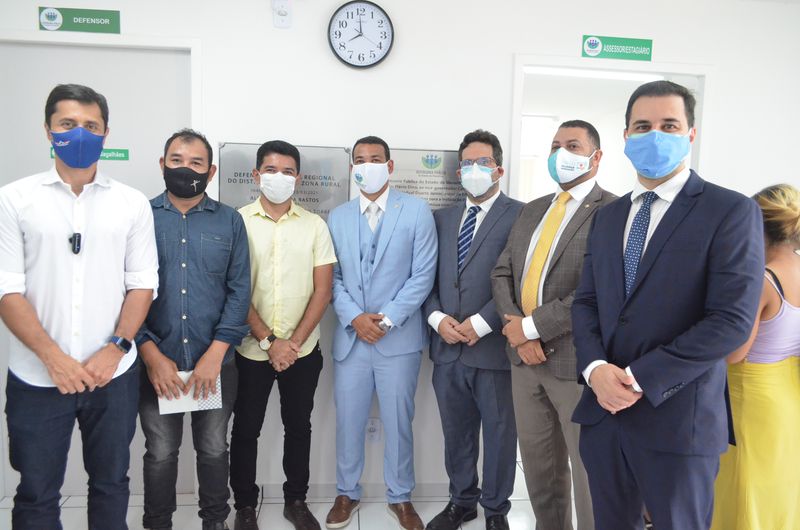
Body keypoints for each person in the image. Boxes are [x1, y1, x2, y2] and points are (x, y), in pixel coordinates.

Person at [570, 80, 765, 530]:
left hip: (679, 421)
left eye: (669, 125)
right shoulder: (608, 217)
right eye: (642, 126)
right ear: (626, 137)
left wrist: (639, 378)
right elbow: (587, 302)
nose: (654, 135)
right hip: (603, 416)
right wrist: (595, 369)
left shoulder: (729, 211)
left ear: (690, 134)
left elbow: (731, 321)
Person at [0, 84, 158, 529]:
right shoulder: (14, 199)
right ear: (48, 130)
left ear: (106, 133)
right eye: (68, 124)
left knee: (111, 483)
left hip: (112, 375)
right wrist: (54, 359)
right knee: (36, 492)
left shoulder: (130, 203)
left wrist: (116, 347)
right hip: (37, 375)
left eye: (91, 125)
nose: (80, 134)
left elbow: (143, 284)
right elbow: (7, 291)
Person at [492, 120, 615, 530]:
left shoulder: (612, 211)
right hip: (524, 363)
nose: (561, 153)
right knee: (540, 468)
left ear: (595, 157)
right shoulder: (533, 209)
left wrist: (531, 329)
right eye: (555, 145)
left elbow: (597, 290)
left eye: (573, 146)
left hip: (575, 363)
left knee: (587, 473)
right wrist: (516, 330)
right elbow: (502, 272)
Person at [136, 129, 251, 530]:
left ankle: (215, 522)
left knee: (214, 448)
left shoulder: (230, 220)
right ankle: (158, 523)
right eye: (177, 160)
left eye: (196, 162)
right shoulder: (140, 217)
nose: (186, 169)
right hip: (157, 362)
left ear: (211, 171)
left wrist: (216, 354)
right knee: (160, 451)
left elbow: (239, 290)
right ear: (163, 164)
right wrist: (151, 355)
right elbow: (124, 290)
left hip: (215, 361)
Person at [325, 136, 437, 530]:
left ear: (389, 166)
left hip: (398, 340)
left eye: (375, 159)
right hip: (351, 339)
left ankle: (400, 496)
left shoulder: (417, 211)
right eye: (359, 160)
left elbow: (422, 275)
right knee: (348, 420)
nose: (366, 165)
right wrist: (355, 317)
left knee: (399, 421)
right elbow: (331, 277)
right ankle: (346, 492)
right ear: (352, 167)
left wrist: (386, 320)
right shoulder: (338, 216)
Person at [230, 140, 336, 530]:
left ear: (298, 178)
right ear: (256, 175)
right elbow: (235, 289)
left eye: (288, 171)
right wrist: (268, 341)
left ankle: (296, 500)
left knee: (299, 426)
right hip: (251, 349)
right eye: (271, 170)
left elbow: (322, 291)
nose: (280, 177)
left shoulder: (314, 225)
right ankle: (245, 505)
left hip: (302, 352)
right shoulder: (237, 222)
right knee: (245, 429)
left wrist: (292, 344)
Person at [424, 130, 522, 530]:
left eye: (483, 162)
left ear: (499, 169)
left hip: (493, 348)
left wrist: (482, 322)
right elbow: (425, 277)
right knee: (457, 433)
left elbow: (520, 282)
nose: (474, 170)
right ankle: (461, 501)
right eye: (467, 163)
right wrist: (437, 318)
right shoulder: (441, 218)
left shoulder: (521, 215)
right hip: (447, 347)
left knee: (500, 434)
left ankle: (496, 509)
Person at [711, 184, 800, 530]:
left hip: (750, 403)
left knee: (743, 491)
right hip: (789, 401)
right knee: (777, 493)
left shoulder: (762, 281)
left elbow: (735, 353)